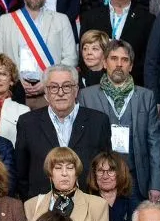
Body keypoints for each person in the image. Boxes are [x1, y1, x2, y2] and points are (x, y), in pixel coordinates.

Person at [80, 41, 160, 205]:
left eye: (124, 60)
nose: (119, 64)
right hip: (100, 180)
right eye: (114, 58)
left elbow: (154, 143)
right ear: (104, 63)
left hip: (137, 180)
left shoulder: (146, 97)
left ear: (131, 66)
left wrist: (156, 184)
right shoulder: (86, 96)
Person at [13, 67, 113, 199]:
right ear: (46, 92)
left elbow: (104, 167)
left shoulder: (98, 121)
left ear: (76, 90)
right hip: (42, 204)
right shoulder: (27, 123)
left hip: (87, 202)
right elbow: (21, 174)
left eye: (66, 86)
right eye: (54, 87)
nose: (60, 93)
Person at [0, 0, 77, 112]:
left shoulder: (61, 20)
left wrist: (49, 81)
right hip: (15, 93)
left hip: (51, 95)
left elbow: (71, 58)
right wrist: (16, 80)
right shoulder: (5, 21)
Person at [80, 0, 156, 89]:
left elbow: (149, 60)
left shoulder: (148, 20)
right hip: (97, 88)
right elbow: (83, 56)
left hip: (134, 88)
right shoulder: (90, 17)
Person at [86, 152, 140, 221]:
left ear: (120, 173)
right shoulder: (87, 203)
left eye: (111, 171)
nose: (105, 176)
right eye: (100, 171)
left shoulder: (133, 204)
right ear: (94, 174)